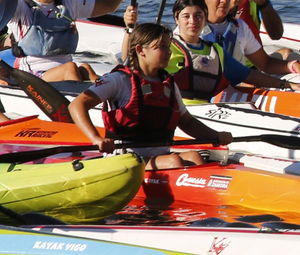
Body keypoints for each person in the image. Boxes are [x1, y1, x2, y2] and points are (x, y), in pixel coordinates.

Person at [68, 21, 234, 171]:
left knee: (195, 157)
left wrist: (216, 136)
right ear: (140, 50)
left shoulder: (168, 84)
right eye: (161, 46)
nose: (168, 52)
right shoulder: (119, 80)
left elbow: (187, 122)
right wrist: (96, 138)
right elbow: (76, 105)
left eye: (169, 47)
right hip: (125, 159)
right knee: (173, 162)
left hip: (160, 157)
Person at [7, 0, 137, 81]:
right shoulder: (19, 8)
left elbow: (109, 5)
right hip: (31, 75)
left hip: (66, 71)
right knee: (71, 68)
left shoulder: (68, 4)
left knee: (86, 68)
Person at [167, 0, 291, 104]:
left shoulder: (216, 51)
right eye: (186, 16)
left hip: (205, 110)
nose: (193, 21)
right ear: (177, 19)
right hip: (175, 109)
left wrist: (286, 84)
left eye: (198, 16)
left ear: (205, 17)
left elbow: (248, 75)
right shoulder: (166, 47)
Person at [194, 0, 300, 81]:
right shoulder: (191, 29)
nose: (224, 0)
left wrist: (290, 66)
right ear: (202, 0)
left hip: (237, 90)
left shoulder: (240, 27)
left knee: (293, 57)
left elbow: (265, 64)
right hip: (204, 94)